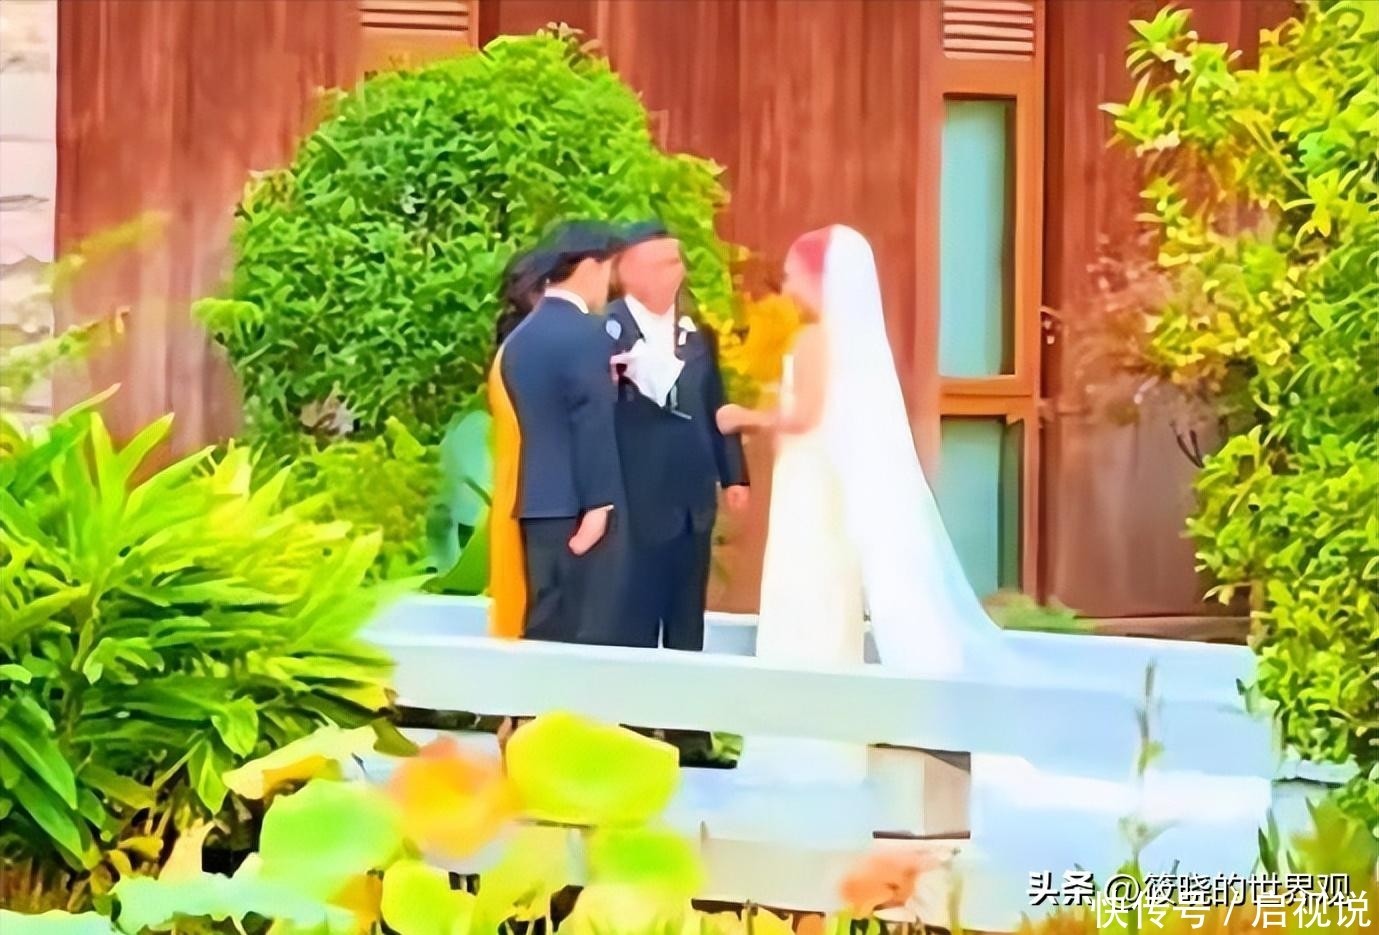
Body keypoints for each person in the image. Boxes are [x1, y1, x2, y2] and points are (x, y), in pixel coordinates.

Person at [717, 225, 1038, 783]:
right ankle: (830, 738)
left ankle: (797, 742)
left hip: (808, 485)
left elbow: (804, 416)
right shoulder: (851, 344)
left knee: (802, 596)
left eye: (794, 274)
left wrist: (742, 417)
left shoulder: (815, 339)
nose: (787, 286)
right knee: (826, 602)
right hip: (821, 480)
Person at [604, 220, 749, 650]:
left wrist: (734, 474)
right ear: (627, 272)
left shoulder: (697, 334)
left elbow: (715, 402)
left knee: (687, 614)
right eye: (659, 264)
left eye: (675, 262)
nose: (672, 272)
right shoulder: (607, 329)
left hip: (693, 497)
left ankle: (687, 692)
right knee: (634, 614)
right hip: (634, 495)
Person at [488, 220, 629, 644]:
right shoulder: (588, 335)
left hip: (533, 504)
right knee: (582, 634)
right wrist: (599, 506)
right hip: (578, 510)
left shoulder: (519, 338)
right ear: (590, 265)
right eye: (609, 269)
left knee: (541, 625)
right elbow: (591, 422)